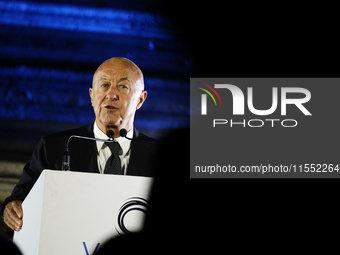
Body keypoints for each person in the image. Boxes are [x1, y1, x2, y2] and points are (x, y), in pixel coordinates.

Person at [0, 57, 160, 235]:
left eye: (123, 86)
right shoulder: (54, 147)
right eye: (104, 85)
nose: (111, 94)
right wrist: (11, 210)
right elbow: (19, 200)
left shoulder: (161, 155)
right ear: (92, 96)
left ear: (140, 99)